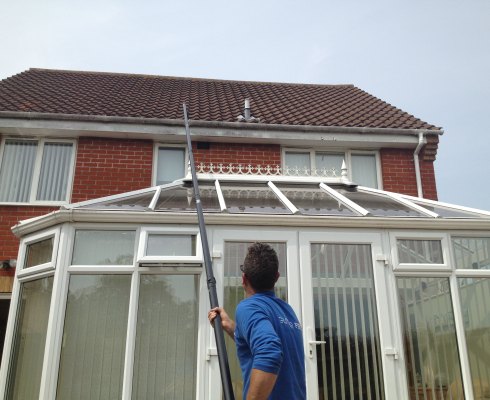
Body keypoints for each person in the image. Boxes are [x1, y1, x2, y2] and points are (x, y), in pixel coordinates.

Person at [208, 242, 306, 400]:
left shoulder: (248, 307)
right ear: (276, 277)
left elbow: (269, 351)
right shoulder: (287, 311)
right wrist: (230, 326)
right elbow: (260, 342)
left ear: (244, 278)